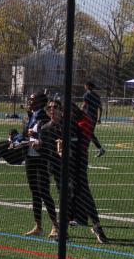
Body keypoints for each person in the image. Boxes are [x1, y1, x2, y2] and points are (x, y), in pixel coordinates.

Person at [54, 102, 108, 243]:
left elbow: (76, 144)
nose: (62, 114)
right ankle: (65, 229)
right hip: (68, 164)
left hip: (76, 164)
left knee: (81, 195)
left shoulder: (75, 125)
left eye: (63, 111)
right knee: (69, 196)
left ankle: (95, 226)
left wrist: (63, 148)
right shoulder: (64, 124)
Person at [23, 92, 58, 237]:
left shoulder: (44, 117)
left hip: (42, 158)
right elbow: (24, 133)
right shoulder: (30, 116)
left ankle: (55, 226)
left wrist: (35, 135)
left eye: (32, 99)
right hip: (30, 157)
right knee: (34, 192)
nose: (29, 101)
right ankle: (38, 226)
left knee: (44, 192)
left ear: (39, 102)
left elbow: (47, 136)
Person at [82, 81, 106, 158]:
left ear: (87, 86)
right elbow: (100, 108)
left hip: (87, 117)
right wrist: (99, 118)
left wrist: (79, 113)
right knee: (89, 133)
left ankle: (99, 149)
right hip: (94, 117)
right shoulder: (97, 96)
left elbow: (84, 106)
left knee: (88, 133)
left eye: (85, 85)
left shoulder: (86, 95)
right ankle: (99, 149)